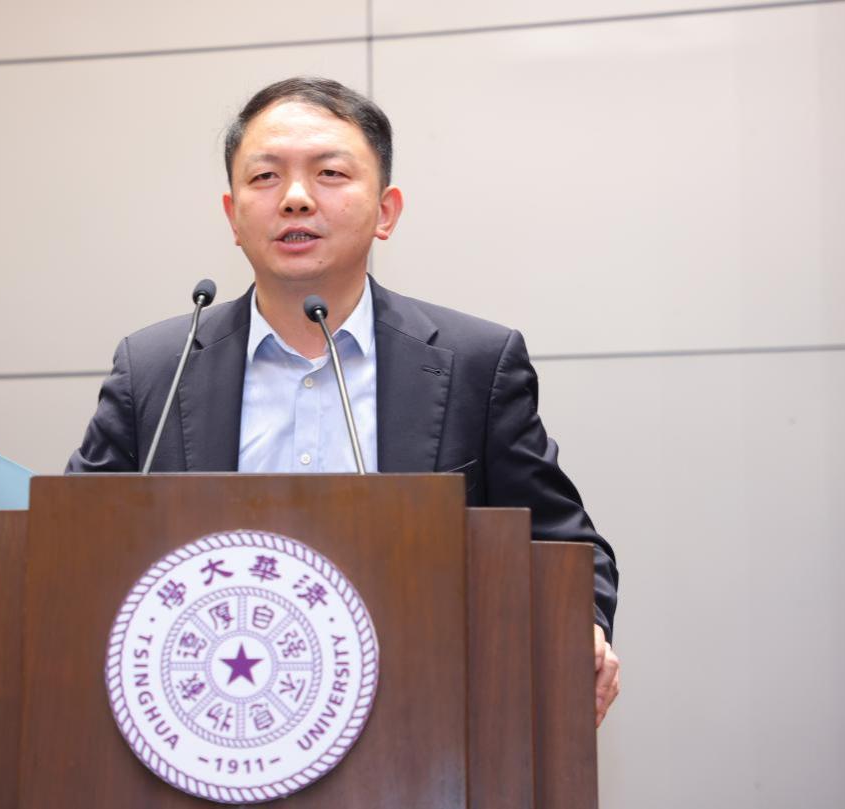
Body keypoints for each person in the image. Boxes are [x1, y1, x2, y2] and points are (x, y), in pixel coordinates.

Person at [67, 77, 621, 725]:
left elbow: (562, 543)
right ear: (232, 215)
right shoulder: (156, 369)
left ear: (386, 211)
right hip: (211, 722)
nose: (296, 198)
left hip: (421, 722)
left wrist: (581, 624)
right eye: (266, 177)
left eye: (330, 173)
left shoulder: (475, 361)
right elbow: (71, 543)